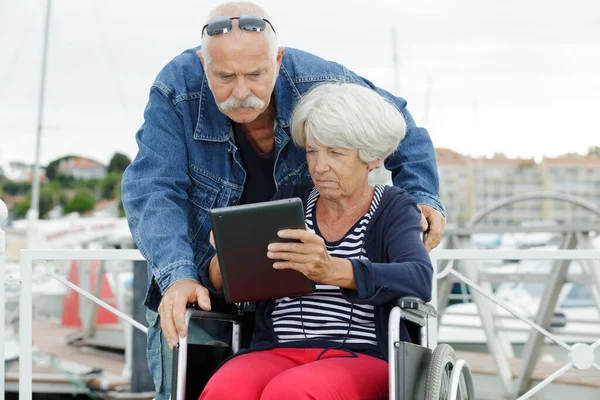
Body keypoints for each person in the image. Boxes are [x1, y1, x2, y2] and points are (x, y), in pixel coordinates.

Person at [121, 1, 444, 397]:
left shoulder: (322, 83)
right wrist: (192, 271)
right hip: (258, 318)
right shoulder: (178, 89)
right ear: (204, 67)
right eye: (224, 77)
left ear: (277, 59)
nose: (241, 92)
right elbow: (153, 188)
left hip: (355, 350)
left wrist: (422, 200)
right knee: (215, 387)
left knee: (292, 391)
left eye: (255, 74)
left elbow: (403, 132)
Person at [199, 82, 433, 399]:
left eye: (335, 152)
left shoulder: (394, 207)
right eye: (312, 151)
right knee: (225, 389)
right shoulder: (289, 201)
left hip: (361, 353)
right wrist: (227, 259)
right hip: (278, 347)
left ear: (373, 157)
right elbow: (225, 283)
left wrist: (331, 270)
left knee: (292, 392)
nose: (319, 166)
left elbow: (418, 278)